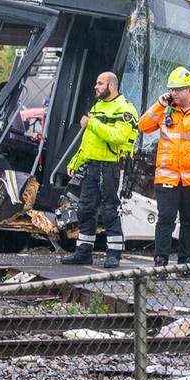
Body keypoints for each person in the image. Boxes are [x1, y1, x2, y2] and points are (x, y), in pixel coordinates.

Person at [137, 66, 190, 277]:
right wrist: (159, 104)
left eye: (178, 89)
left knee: (189, 220)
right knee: (165, 218)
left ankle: (185, 264)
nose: (174, 93)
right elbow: (142, 125)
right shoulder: (165, 109)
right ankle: (161, 264)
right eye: (172, 89)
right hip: (167, 175)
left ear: (189, 89)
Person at [62, 72, 138, 269]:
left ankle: (113, 254)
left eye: (100, 83)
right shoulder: (97, 107)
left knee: (109, 210)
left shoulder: (125, 109)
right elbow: (88, 142)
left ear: (111, 86)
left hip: (111, 167)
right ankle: (83, 252)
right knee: (86, 209)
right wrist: (75, 163)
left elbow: (117, 137)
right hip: (92, 167)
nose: (96, 86)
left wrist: (92, 123)